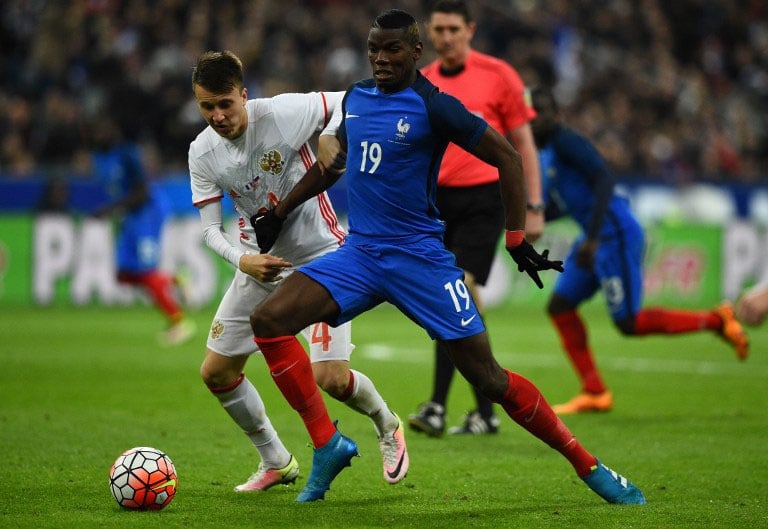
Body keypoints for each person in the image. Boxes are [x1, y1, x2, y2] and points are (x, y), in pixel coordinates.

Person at [249, 9, 645, 505]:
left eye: (392, 49)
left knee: (489, 378)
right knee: (268, 320)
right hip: (361, 254)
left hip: (419, 260)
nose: (380, 58)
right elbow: (336, 165)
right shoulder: (357, 97)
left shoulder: (434, 106)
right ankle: (327, 444)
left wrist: (517, 237)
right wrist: (281, 210)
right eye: (374, 48)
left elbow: (507, 156)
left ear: (417, 52)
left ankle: (590, 467)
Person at [187, 50, 408, 497]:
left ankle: (387, 424)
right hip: (260, 266)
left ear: (244, 96)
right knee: (217, 373)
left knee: (331, 377)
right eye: (207, 106)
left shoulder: (284, 113)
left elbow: (352, 98)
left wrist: (328, 134)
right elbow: (210, 230)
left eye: (225, 103)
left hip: (324, 260)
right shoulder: (202, 152)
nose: (217, 115)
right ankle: (275, 461)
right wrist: (242, 260)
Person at [529, 87, 750, 415]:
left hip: (613, 234)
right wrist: (536, 216)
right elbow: (571, 203)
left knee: (628, 322)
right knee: (560, 306)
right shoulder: (544, 152)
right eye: (531, 114)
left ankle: (717, 320)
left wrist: (590, 240)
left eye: (543, 113)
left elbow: (604, 178)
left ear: (556, 115)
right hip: (593, 235)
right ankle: (594, 391)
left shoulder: (566, 141)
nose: (536, 120)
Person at [409, 0, 544, 438]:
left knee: (458, 290)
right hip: (438, 202)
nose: (446, 37)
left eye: (454, 29)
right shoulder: (423, 82)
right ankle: (484, 413)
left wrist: (534, 205)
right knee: (455, 302)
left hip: (485, 198)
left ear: (470, 30)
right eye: (439, 29)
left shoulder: (499, 75)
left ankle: (435, 405)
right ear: (429, 32)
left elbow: (521, 143)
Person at [90, 116, 195, 346]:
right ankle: (174, 279)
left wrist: (110, 210)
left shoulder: (127, 154)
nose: (97, 136)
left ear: (112, 131)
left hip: (148, 211)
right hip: (131, 214)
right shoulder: (99, 157)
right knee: (124, 274)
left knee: (146, 272)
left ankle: (179, 323)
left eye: (101, 131)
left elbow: (143, 193)